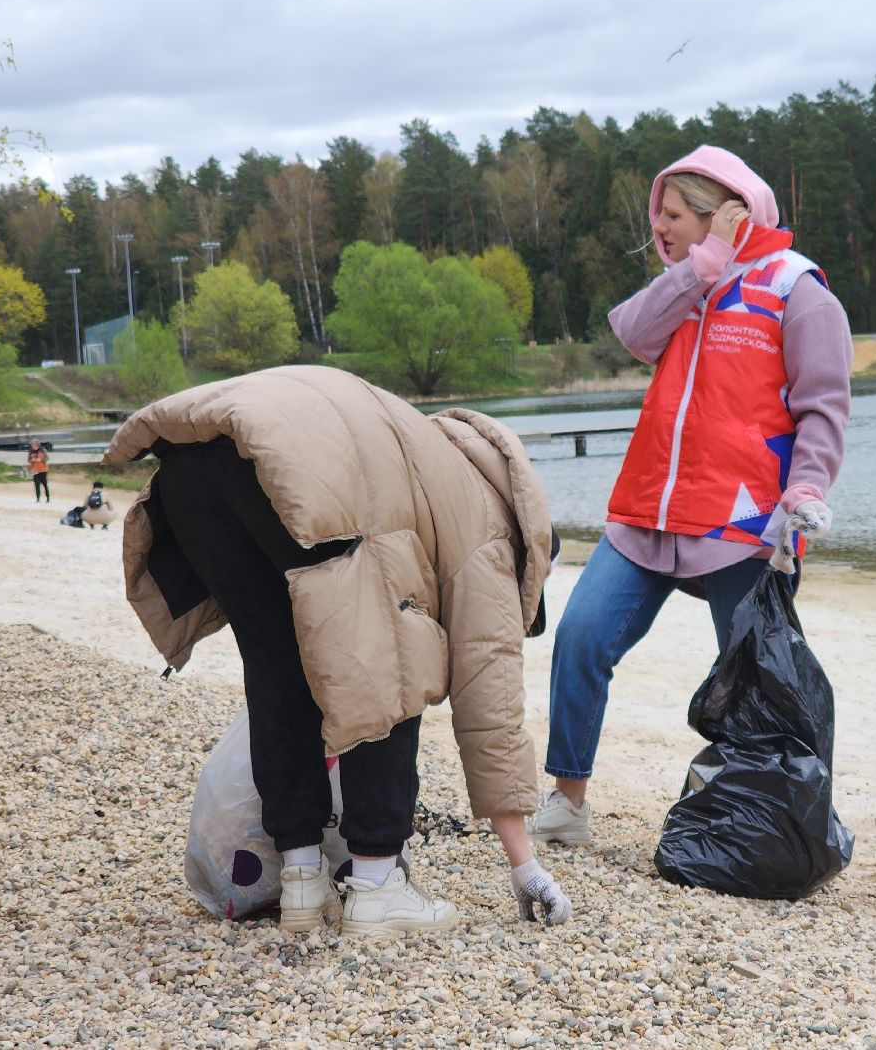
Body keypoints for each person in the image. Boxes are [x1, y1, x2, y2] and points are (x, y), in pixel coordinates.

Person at [103, 366, 573, 934]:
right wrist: (525, 864)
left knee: (280, 664)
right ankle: (377, 886)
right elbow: (490, 708)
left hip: (190, 465)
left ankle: (302, 881)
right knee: (389, 662)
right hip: (294, 463)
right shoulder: (492, 531)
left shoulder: (427, 457)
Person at [528, 145, 853, 847]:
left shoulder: (796, 289)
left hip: (743, 524)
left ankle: (763, 824)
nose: (659, 228)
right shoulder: (686, 285)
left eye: (673, 216)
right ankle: (567, 802)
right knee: (581, 636)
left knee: (754, 679)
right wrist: (704, 265)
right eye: (660, 215)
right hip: (649, 510)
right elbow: (631, 331)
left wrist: (808, 485)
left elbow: (824, 406)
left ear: (723, 213)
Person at [28, 439, 50, 503]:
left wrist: (40, 460)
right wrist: (32, 460)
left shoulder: (43, 450)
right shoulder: (31, 451)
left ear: (37, 445)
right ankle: (38, 498)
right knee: (37, 485)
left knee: (45, 484)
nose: (32, 445)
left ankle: (48, 498)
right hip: (35, 470)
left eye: (33, 444)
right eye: (32, 444)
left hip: (43, 470)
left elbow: (47, 458)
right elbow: (29, 460)